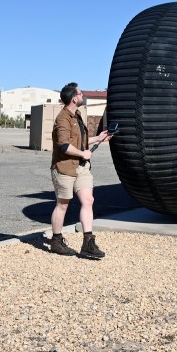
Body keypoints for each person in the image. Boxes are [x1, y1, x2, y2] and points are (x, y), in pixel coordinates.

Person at [49, 82, 112, 259]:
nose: (82, 95)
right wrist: (83, 153)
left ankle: (88, 243)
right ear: (74, 98)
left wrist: (99, 138)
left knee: (88, 200)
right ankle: (56, 241)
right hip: (64, 167)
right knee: (63, 204)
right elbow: (64, 145)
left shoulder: (77, 115)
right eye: (80, 93)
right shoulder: (62, 118)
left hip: (81, 168)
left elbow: (79, 142)